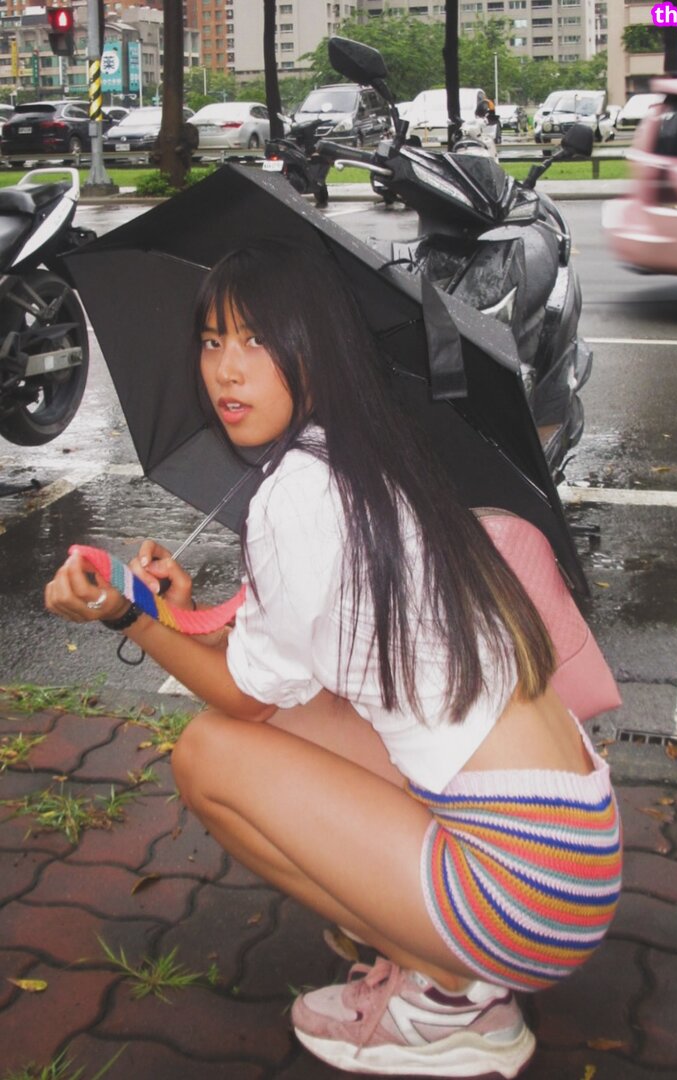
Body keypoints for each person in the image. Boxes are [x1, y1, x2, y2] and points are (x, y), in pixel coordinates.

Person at [45, 240, 621, 1079]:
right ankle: (440, 947)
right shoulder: (372, 456)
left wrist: (126, 614)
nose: (226, 369)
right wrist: (180, 611)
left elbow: (243, 699)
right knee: (297, 720)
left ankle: (454, 995)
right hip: (571, 852)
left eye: (257, 339)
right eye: (212, 340)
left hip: (520, 891)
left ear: (314, 346)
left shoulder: (298, 493)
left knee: (208, 755)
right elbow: (288, 669)